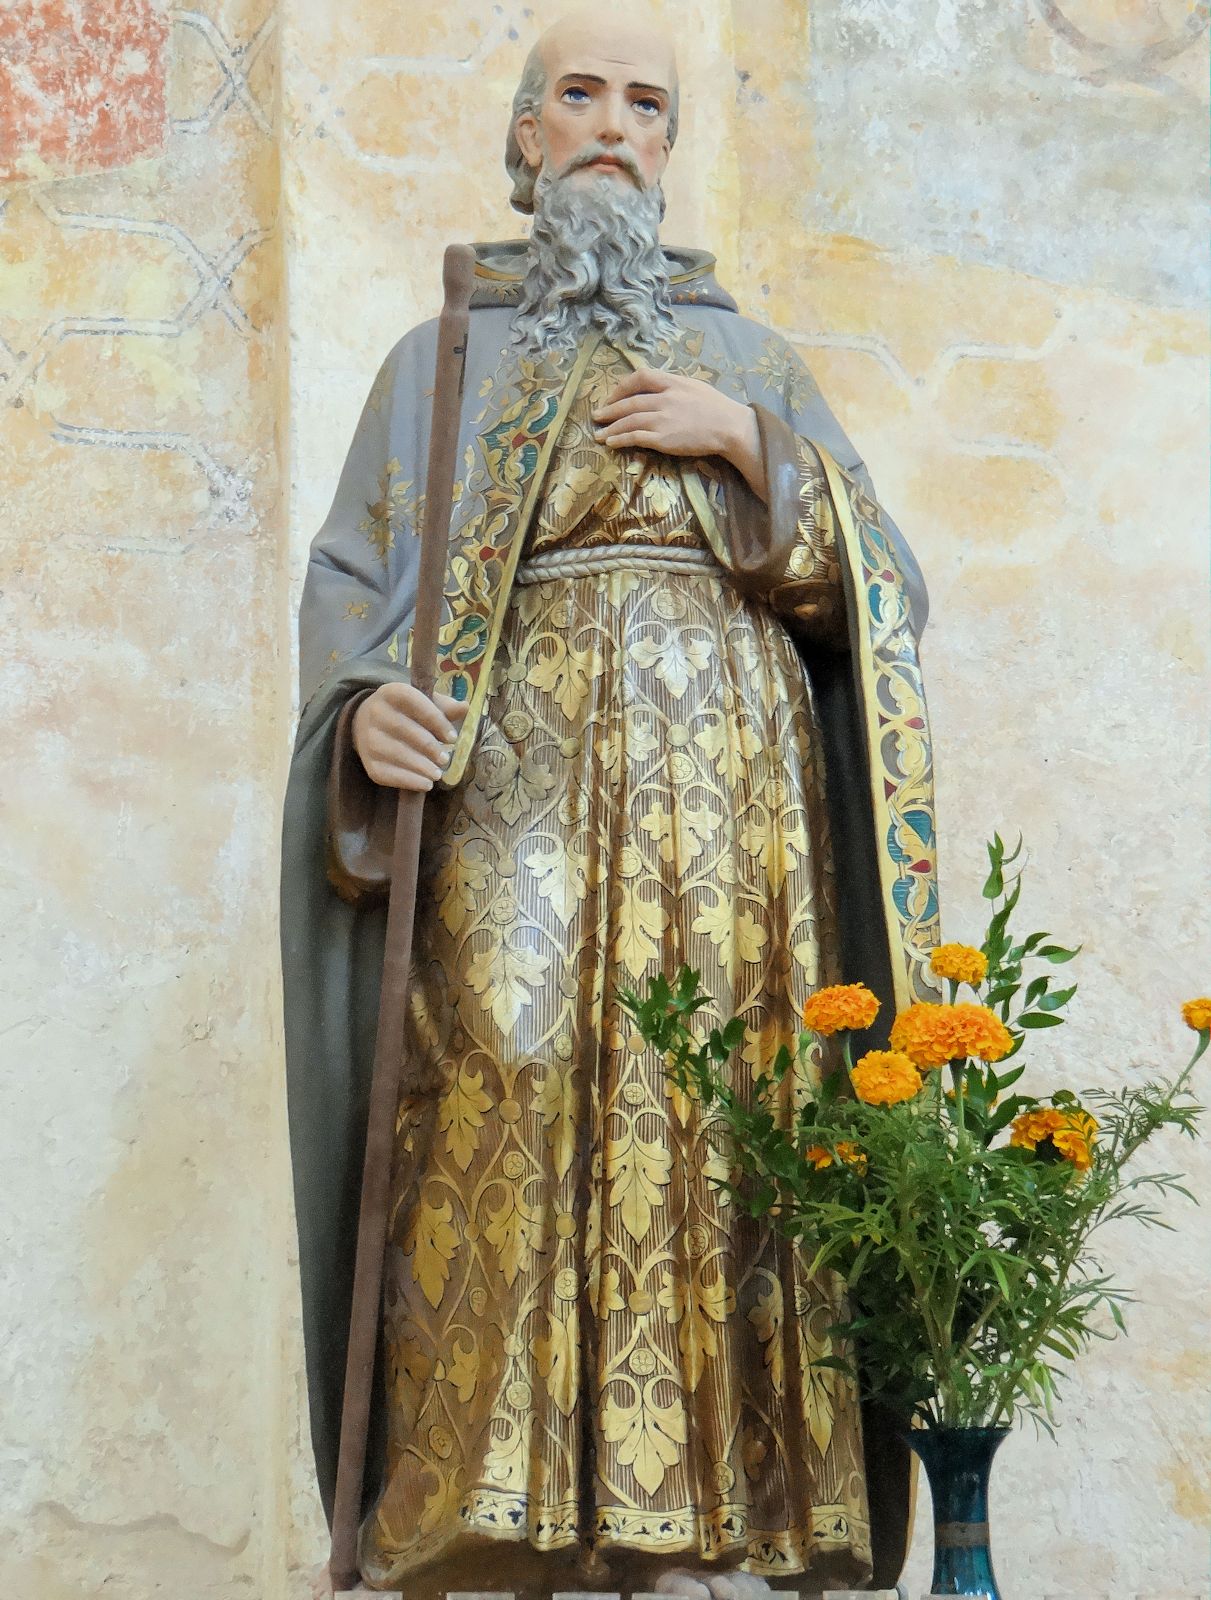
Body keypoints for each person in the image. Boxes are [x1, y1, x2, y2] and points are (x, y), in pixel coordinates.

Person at [280, 10, 940, 1597]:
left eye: (648, 105)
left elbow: (886, 596)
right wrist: (369, 716)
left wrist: (752, 445)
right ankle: (490, 1530)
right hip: (512, 792)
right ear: (524, 141)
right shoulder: (438, 365)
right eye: (578, 96)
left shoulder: (749, 359)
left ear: (668, 149)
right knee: (499, 1083)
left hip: (739, 828)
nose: (613, 126)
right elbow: (355, 589)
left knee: (723, 1122)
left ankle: (730, 1528)